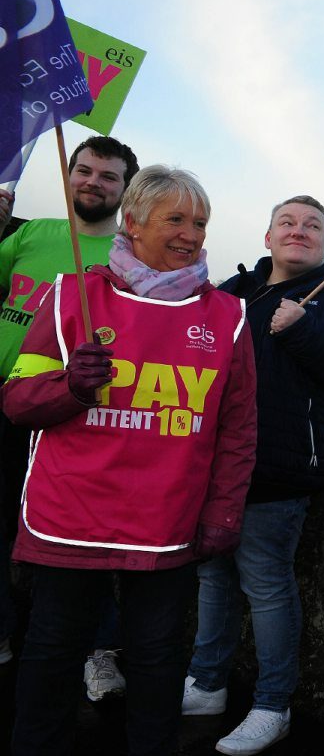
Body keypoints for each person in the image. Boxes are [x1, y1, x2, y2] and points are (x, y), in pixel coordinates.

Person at [4, 165, 257, 756]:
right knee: (52, 652)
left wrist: (223, 513)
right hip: (70, 514)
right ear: (134, 222)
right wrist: (69, 388)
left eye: (200, 223)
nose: (191, 234)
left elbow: (239, 428)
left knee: (158, 660)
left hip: (166, 521)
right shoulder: (71, 295)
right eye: (176, 219)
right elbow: (17, 401)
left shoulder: (228, 316)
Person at [181, 195, 324, 755]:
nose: (299, 231)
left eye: (312, 225)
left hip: (281, 470)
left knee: (267, 587)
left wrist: (303, 329)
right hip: (216, 467)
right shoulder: (233, 293)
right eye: (287, 223)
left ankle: (272, 705)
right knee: (213, 579)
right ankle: (207, 683)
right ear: (267, 238)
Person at [0, 135, 139, 693]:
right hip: (8, 402)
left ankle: (99, 649)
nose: (92, 182)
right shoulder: (32, 233)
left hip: (72, 415)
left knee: (80, 540)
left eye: (108, 176)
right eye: (83, 170)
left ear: (126, 190)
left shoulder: (129, 256)